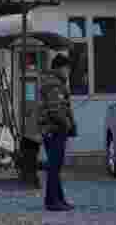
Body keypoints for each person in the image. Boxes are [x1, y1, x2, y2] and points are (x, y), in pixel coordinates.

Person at [39, 53, 77, 212]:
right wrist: (68, 124)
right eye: (67, 68)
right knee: (54, 167)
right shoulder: (54, 85)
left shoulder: (54, 82)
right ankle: (52, 201)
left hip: (53, 129)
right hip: (55, 129)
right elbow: (56, 110)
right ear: (60, 68)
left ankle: (58, 199)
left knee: (55, 167)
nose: (68, 72)